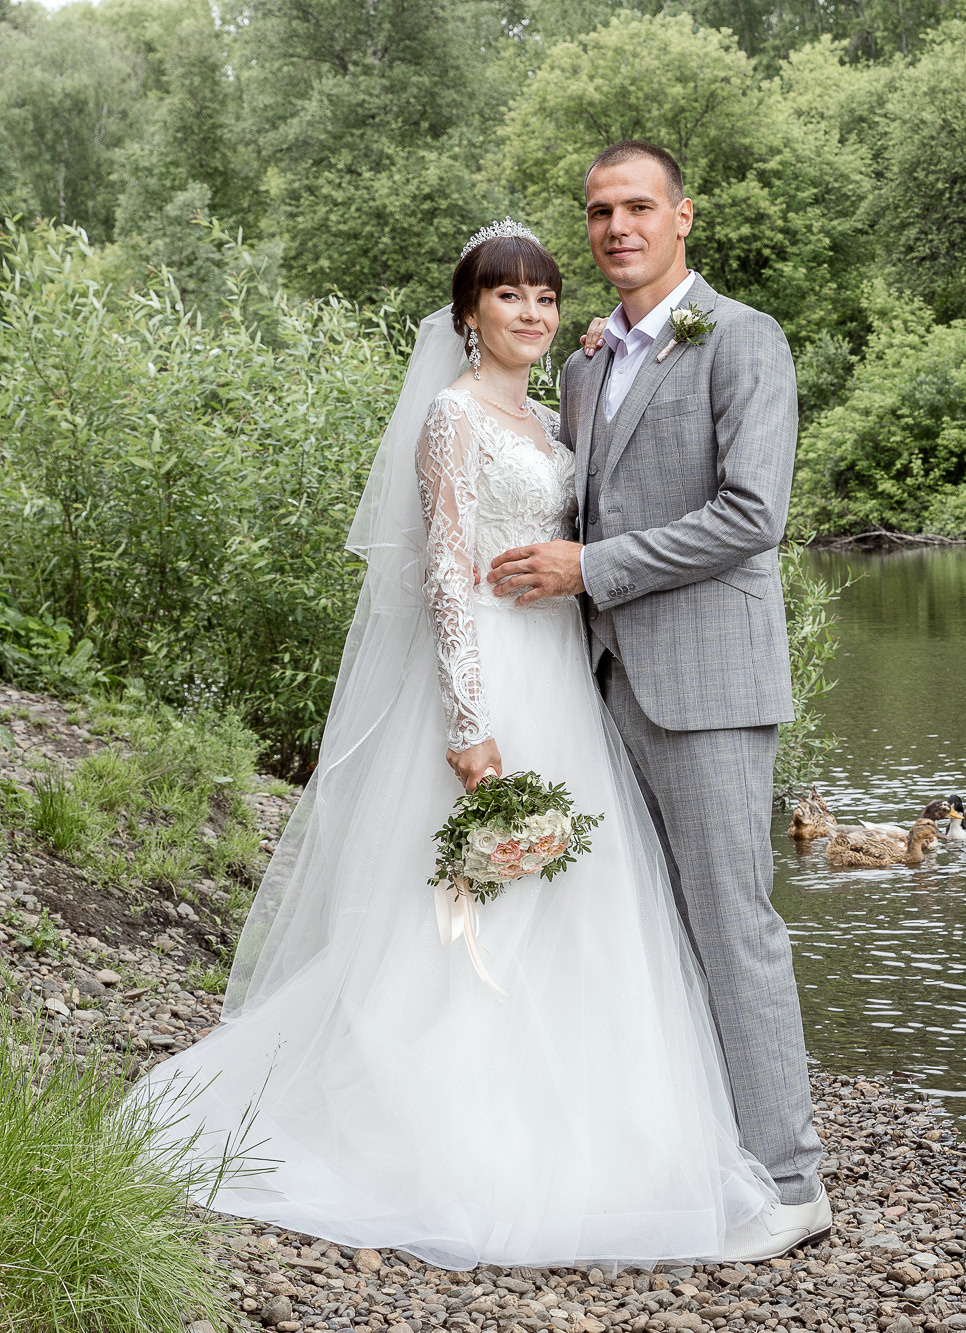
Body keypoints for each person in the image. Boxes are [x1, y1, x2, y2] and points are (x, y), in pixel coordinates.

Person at [130, 221, 791, 1271]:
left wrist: (585, 350)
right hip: (495, 677)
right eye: (505, 298)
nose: (527, 313)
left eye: (542, 296)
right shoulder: (451, 417)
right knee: (475, 912)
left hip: (569, 679)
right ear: (467, 314)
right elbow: (444, 574)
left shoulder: (556, 402)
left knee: (579, 901)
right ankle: (455, 1131)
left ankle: (593, 1122)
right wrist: (469, 723)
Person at [484, 139, 828, 1259]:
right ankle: (686, 1156)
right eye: (598, 211)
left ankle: (789, 1180)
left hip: (709, 681)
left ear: (685, 216)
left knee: (733, 927)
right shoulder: (587, 363)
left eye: (637, 207)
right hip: (595, 685)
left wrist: (591, 569)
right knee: (634, 931)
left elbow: (748, 516)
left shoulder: (743, 338)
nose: (615, 226)